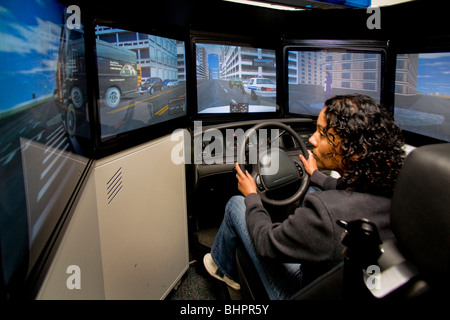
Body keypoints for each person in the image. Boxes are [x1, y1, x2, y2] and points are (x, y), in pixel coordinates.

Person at [203, 94, 406, 299]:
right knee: (314, 188)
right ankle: (294, 233)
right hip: (337, 283)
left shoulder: (324, 211)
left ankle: (220, 267)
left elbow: (265, 242)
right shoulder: (395, 189)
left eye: (322, 133)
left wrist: (252, 196)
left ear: (351, 148)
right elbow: (347, 186)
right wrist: (315, 175)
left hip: (299, 291)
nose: (311, 139)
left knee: (236, 203)